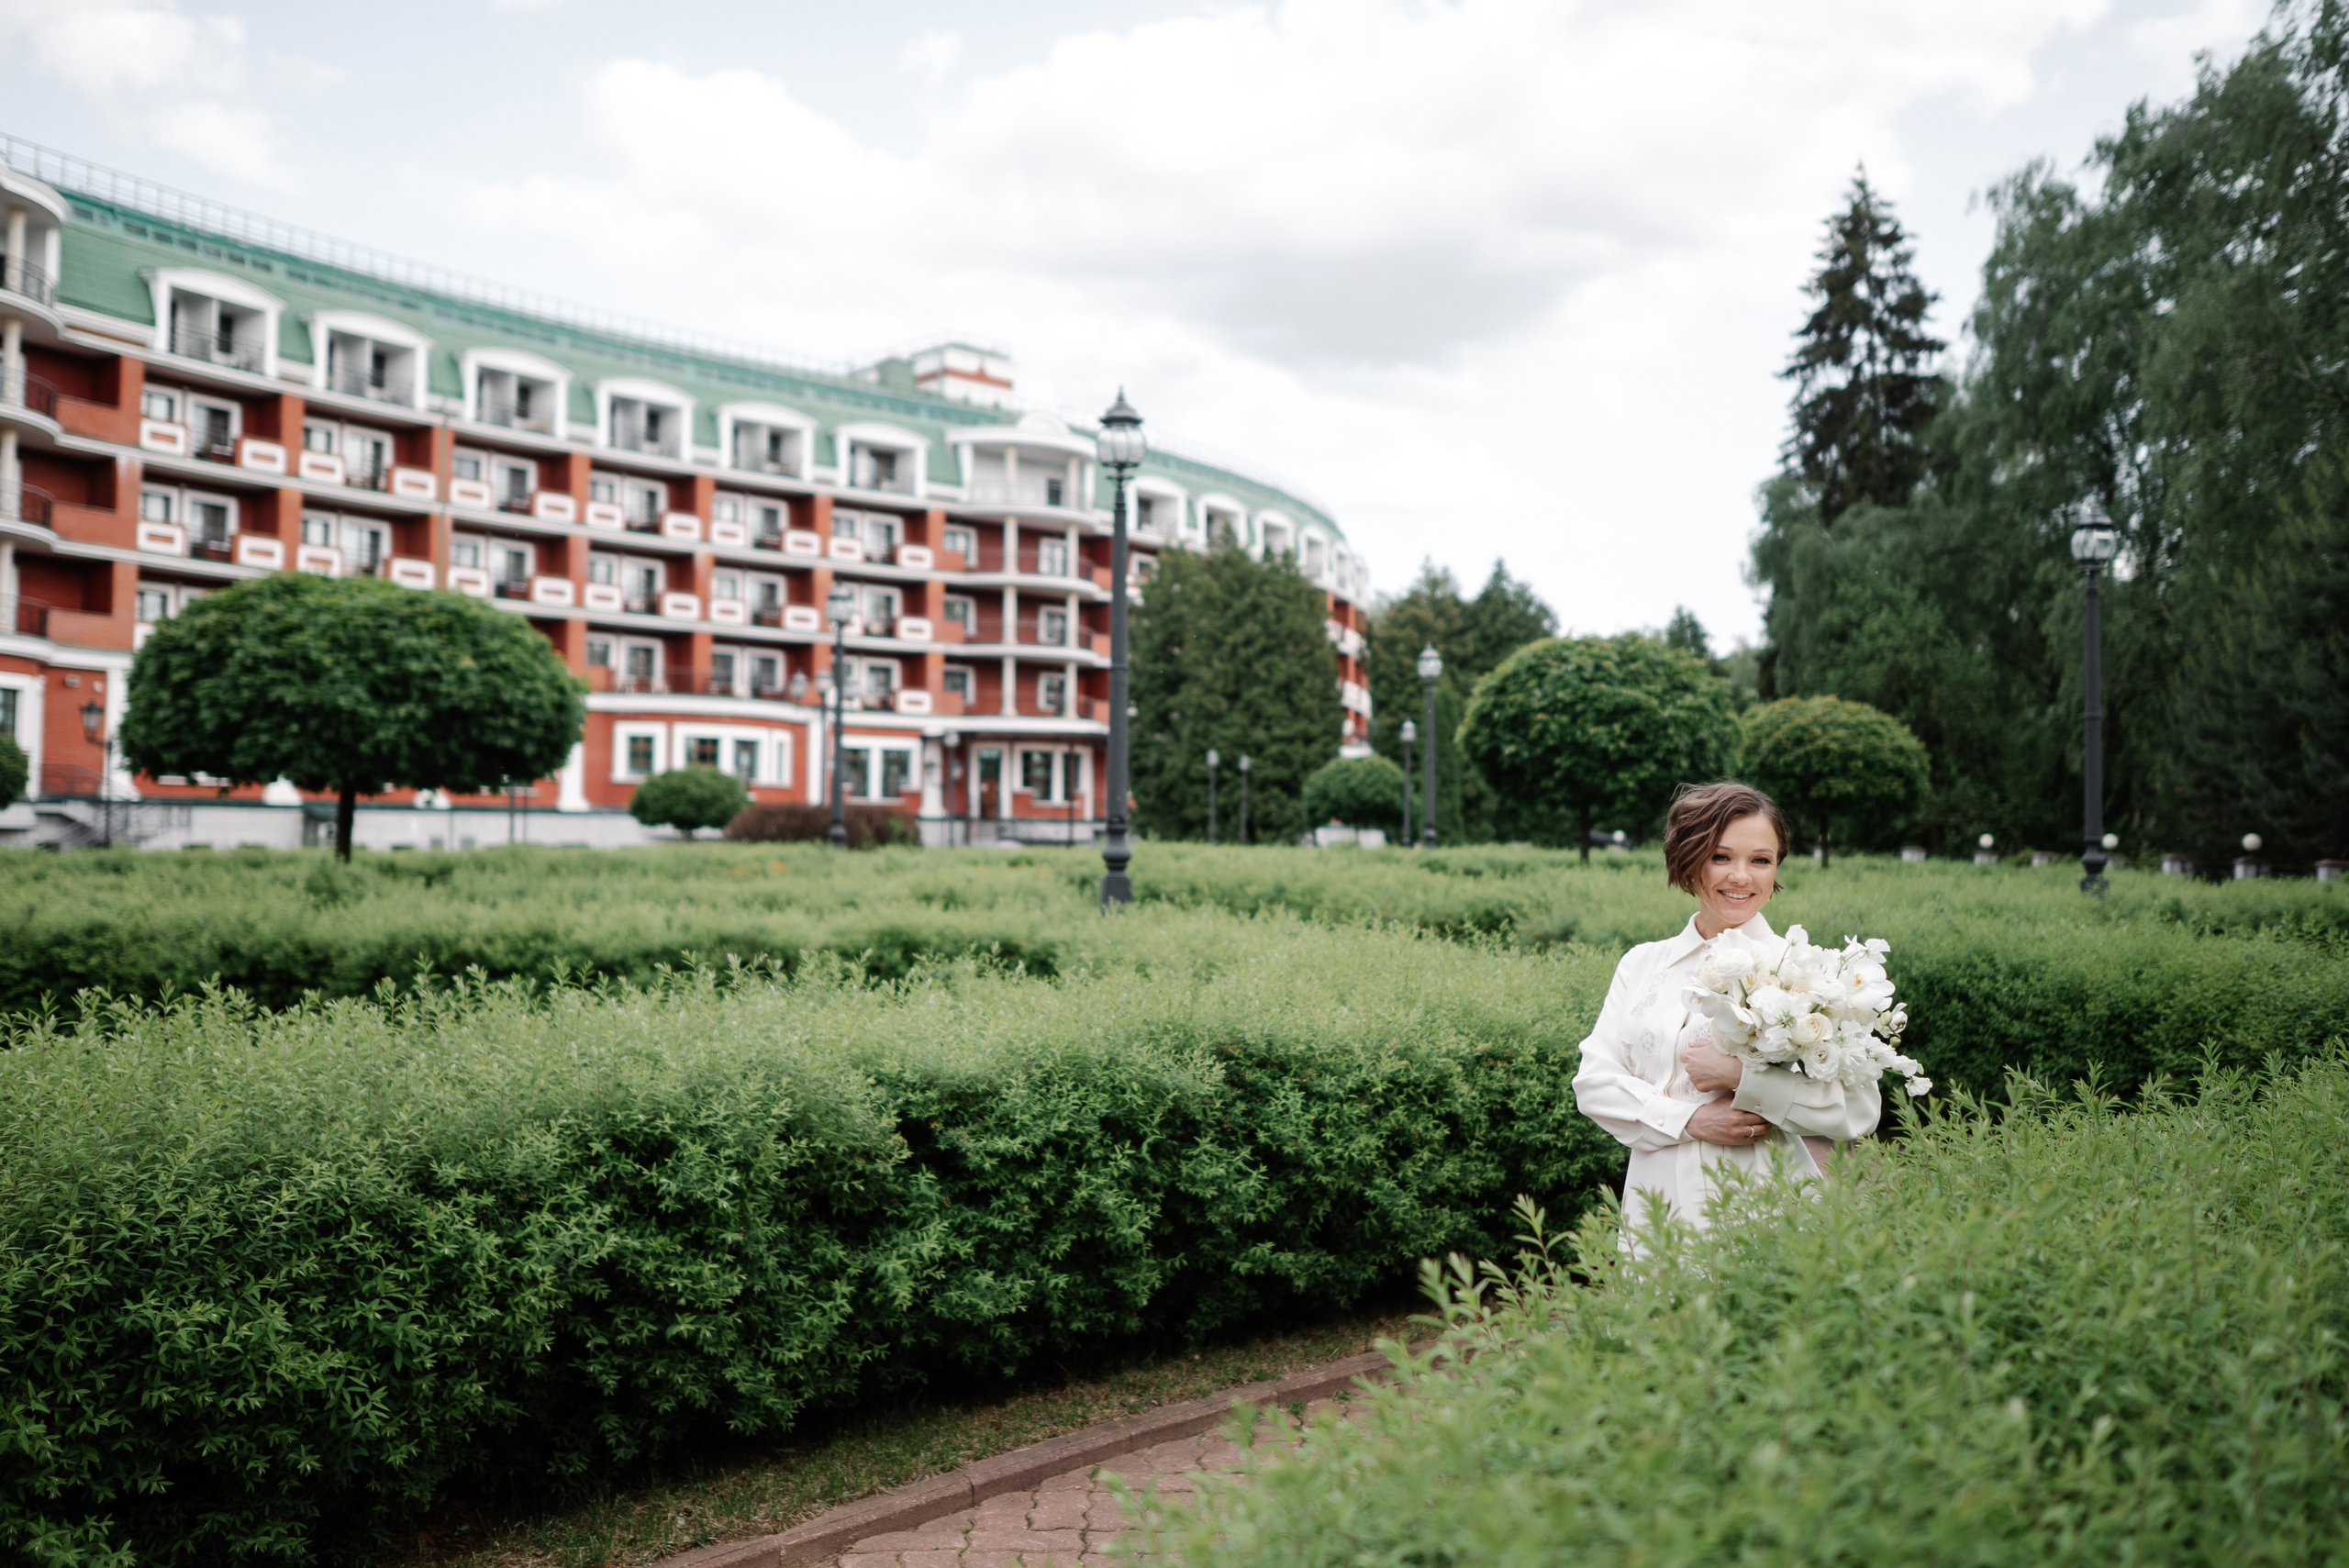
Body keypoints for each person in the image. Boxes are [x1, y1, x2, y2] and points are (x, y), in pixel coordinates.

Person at [1572, 781, 1881, 1240]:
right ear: (1689, 859)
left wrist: (1743, 1079)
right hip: (1655, 1206)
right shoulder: (1641, 964)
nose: (1741, 877)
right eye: (1721, 857)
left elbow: (1858, 1109)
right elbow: (1594, 1084)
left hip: (1763, 1204)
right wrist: (1690, 1121)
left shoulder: (1809, 972)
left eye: (1760, 860)